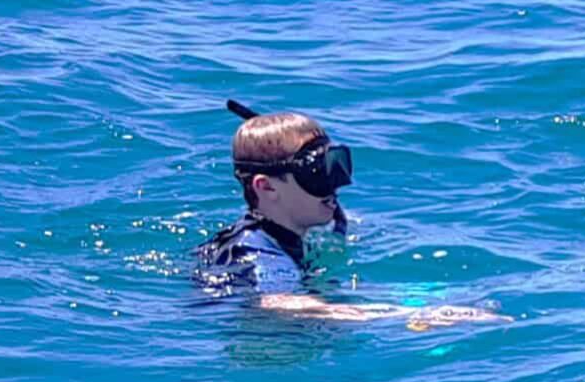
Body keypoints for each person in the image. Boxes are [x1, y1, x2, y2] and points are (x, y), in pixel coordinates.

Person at [194, 104, 496, 328]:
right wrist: (410, 315)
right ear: (267, 187)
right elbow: (277, 301)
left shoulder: (283, 233)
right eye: (317, 173)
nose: (335, 184)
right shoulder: (257, 251)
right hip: (267, 343)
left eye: (335, 165)